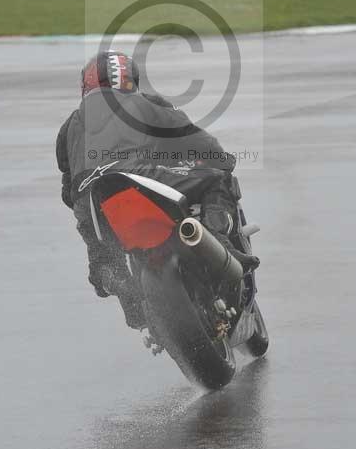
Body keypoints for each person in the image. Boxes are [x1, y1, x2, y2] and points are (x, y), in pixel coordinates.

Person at [56, 50, 258, 328]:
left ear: (86, 85)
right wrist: (220, 159)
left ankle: (130, 299)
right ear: (131, 80)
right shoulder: (143, 103)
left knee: (101, 261)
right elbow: (190, 135)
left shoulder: (69, 127)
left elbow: (68, 191)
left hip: (92, 201)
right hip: (140, 178)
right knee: (216, 178)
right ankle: (223, 247)